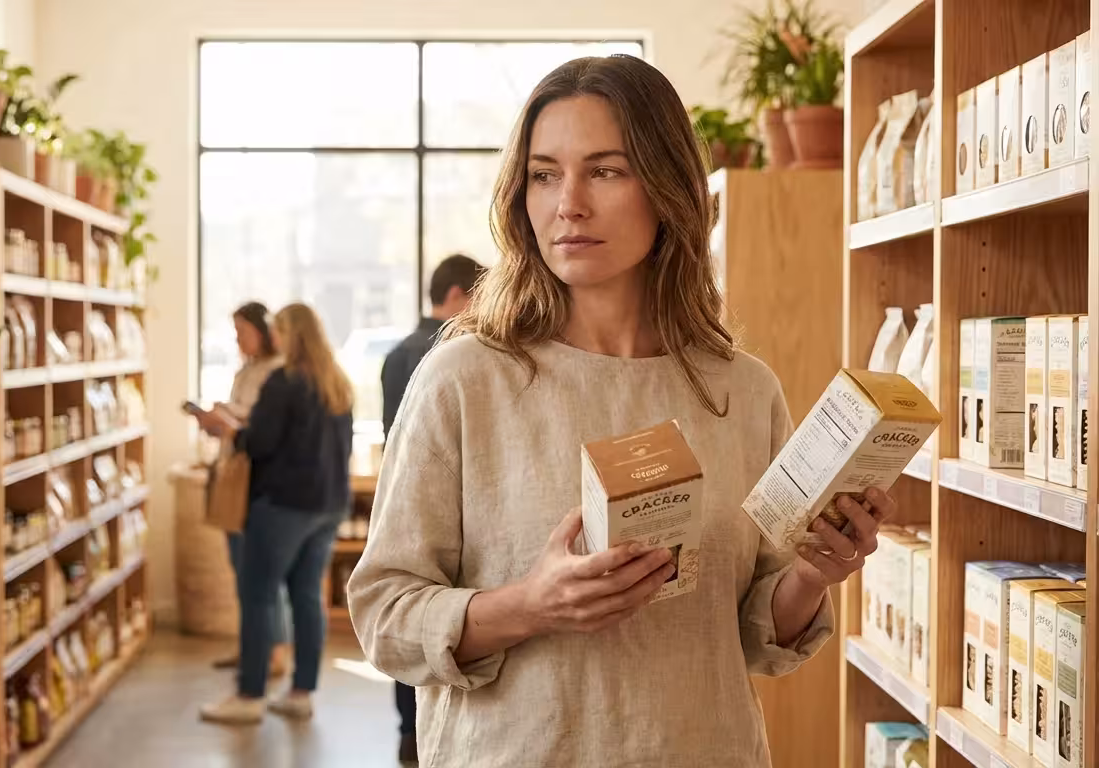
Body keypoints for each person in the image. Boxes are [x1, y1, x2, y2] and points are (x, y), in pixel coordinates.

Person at [346, 55, 897, 766]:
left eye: (605, 170)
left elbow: (757, 634)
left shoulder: (743, 390)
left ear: (667, 189)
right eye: (544, 174)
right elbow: (384, 615)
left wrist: (813, 575)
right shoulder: (464, 381)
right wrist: (530, 605)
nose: (568, 202)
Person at [195, 303, 355, 725]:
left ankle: (249, 696)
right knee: (307, 597)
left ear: (291, 335)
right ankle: (301, 693)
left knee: (258, 594)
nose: (275, 339)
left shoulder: (283, 383)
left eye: (279, 332)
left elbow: (259, 444)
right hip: (329, 504)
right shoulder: (337, 383)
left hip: (283, 505)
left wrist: (228, 429)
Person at [379, 254, 484, 764]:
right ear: (460, 296)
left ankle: (407, 732)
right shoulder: (459, 356)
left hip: (408, 502)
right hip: (459, 511)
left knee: (415, 616)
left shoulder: (396, 354)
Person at [200, 302, 292, 675]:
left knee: (265, 573)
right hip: (235, 475)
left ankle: (276, 652)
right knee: (241, 568)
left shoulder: (277, 374)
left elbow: (263, 429)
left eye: (243, 331)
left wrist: (230, 419)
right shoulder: (247, 370)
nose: (238, 339)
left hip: (261, 481)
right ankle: (252, 645)